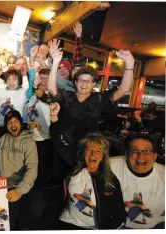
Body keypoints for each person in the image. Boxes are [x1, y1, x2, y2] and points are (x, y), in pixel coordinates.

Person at [48, 40, 135, 183]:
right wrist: (56, 61)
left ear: (94, 83)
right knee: (60, 180)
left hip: (87, 149)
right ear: (75, 82)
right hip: (63, 146)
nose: (83, 84)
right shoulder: (67, 96)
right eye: (80, 80)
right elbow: (52, 88)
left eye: (88, 81)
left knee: (83, 182)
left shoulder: (98, 99)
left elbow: (123, 89)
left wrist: (130, 64)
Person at [58, 133, 126, 230]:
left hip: (95, 228)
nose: (93, 154)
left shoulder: (110, 179)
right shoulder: (73, 169)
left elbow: (119, 211)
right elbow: (60, 142)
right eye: (89, 150)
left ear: (103, 157)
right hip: (69, 221)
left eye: (98, 151)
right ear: (83, 153)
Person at [110, 133, 165, 229]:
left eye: (147, 151)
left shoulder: (163, 175)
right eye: (135, 150)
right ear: (127, 154)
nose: (141, 155)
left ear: (155, 156)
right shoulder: (110, 166)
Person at [0, 110, 40, 230]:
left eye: (16, 121)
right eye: (9, 122)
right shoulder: (1, 138)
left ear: (21, 124)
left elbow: (32, 169)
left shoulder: (28, 141)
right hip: (1, 186)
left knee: (18, 220)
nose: (13, 124)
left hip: (19, 186)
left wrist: (19, 190)